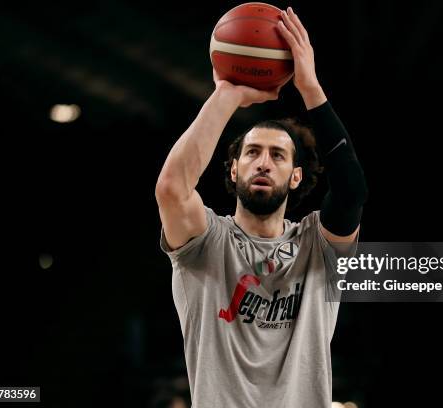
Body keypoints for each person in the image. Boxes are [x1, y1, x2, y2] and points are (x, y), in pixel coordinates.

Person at [155, 7, 367, 408]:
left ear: (296, 177)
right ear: (234, 170)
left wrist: (310, 88)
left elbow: (352, 190)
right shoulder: (205, 244)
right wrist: (227, 94)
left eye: (278, 155)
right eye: (252, 152)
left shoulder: (318, 247)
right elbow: (171, 188)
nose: (264, 162)